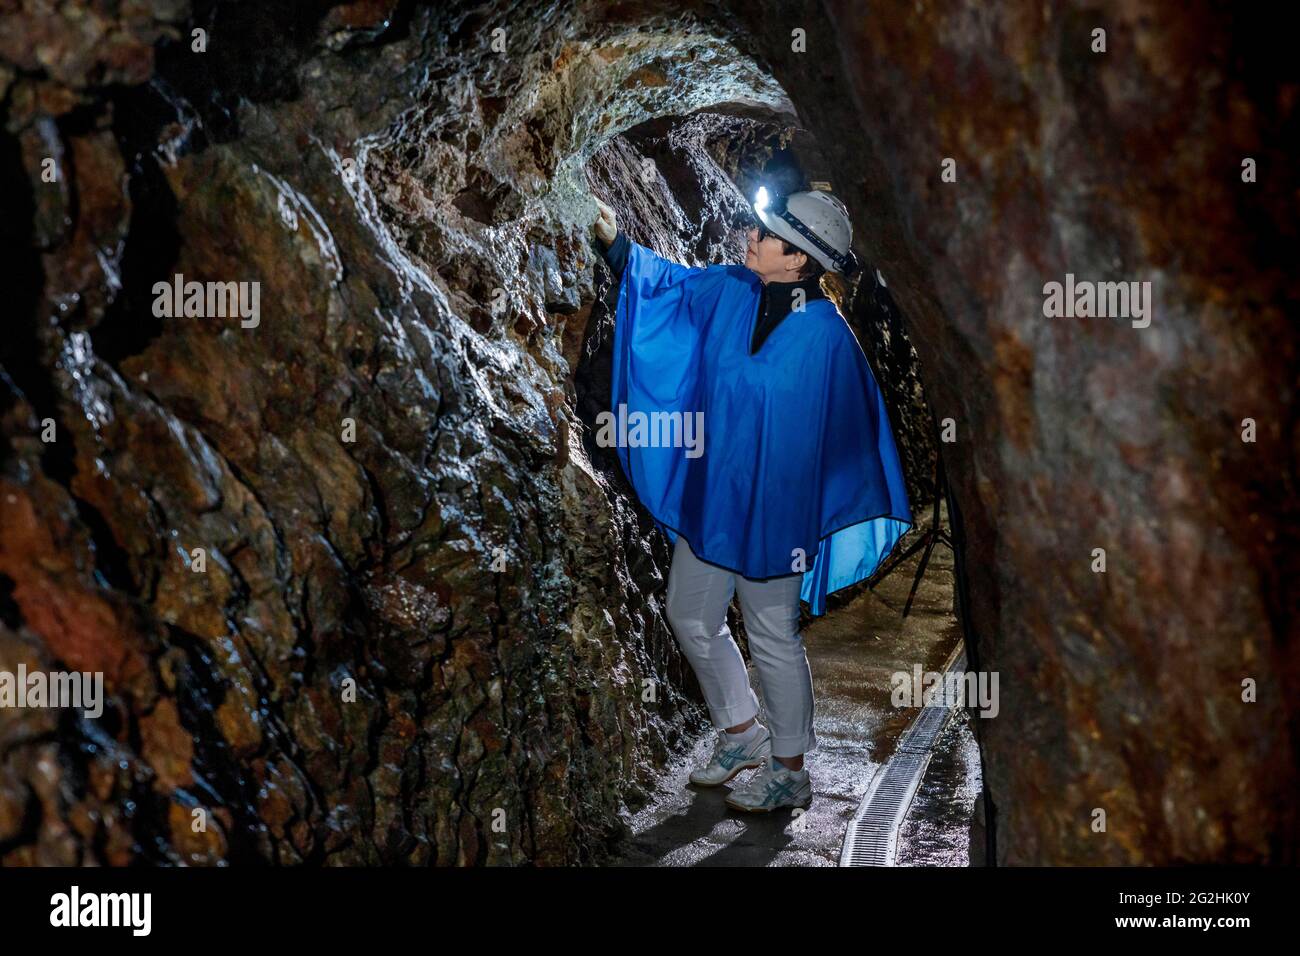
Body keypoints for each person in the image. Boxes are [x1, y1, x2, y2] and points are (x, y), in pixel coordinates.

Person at [591, 187, 912, 813]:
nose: (752, 238)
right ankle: (741, 732)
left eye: (767, 236)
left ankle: (790, 770)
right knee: (688, 613)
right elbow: (671, 289)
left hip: (774, 518)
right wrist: (618, 246)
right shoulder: (730, 290)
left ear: (798, 260)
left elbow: (852, 438)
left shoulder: (828, 340)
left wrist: (811, 504)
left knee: (772, 637)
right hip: (714, 498)